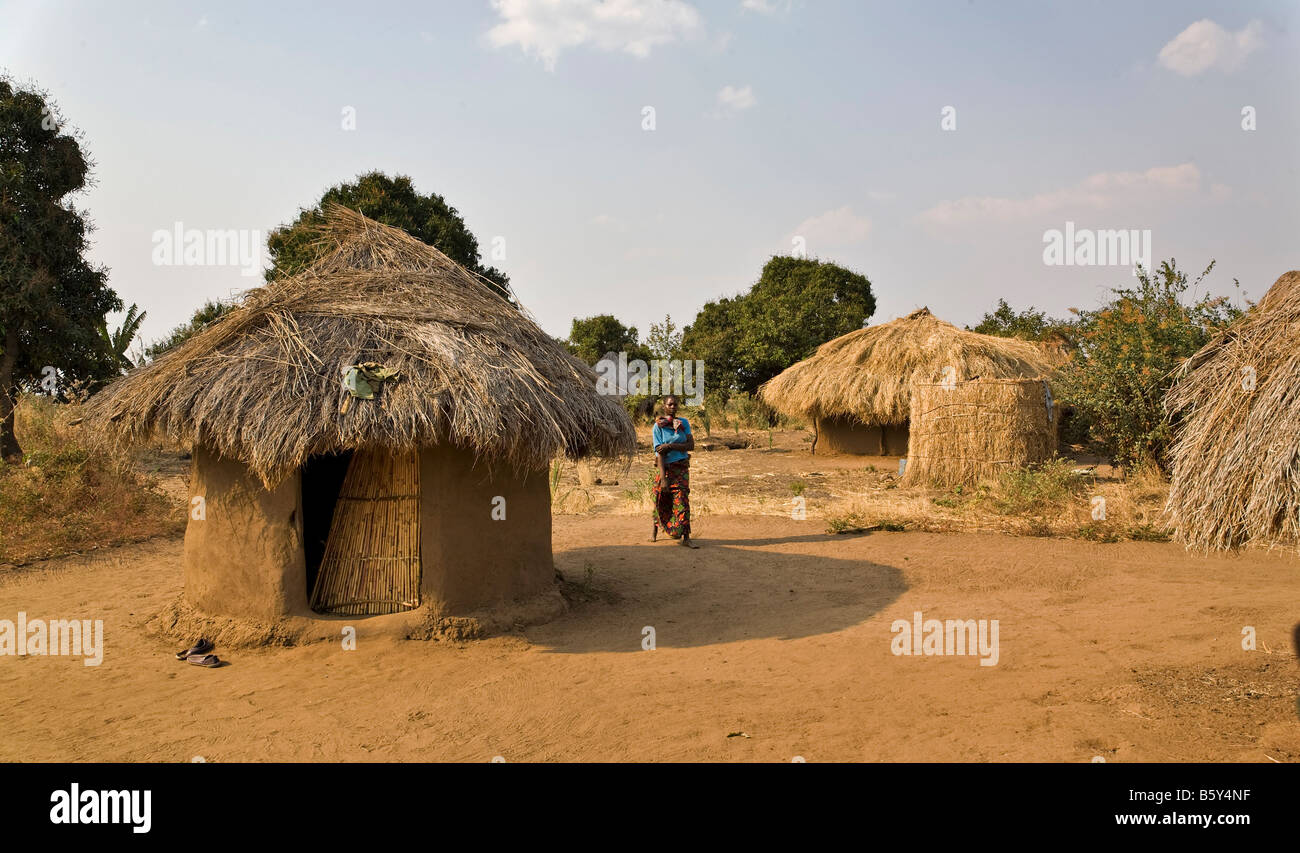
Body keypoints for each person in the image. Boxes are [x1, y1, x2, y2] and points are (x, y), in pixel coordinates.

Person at [652, 395, 697, 547]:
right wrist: (663, 478)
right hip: (665, 468)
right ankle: (655, 532)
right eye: (670, 404)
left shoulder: (683, 423)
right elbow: (659, 453)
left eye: (675, 404)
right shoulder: (658, 426)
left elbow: (691, 445)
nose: (673, 407)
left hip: (681, 468)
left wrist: (670, 446)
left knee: (683, 501)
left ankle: (686, 537)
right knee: (660, 499)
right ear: (664, 406)